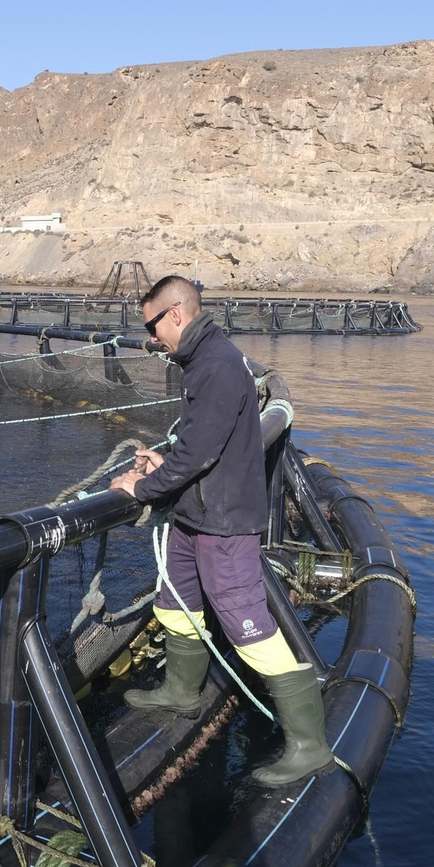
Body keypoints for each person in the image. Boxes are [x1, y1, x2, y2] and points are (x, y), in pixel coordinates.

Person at [109, 275, 333, 786]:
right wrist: (161, 460)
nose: (150, 338)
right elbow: (205, 443)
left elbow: (201, 453)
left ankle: (310, 744)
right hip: (195, 513)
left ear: (176, 315)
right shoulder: (201, 361)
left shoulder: (216, 365)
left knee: (246, 623)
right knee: (174, 599)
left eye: (151, 326)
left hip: (225, 522)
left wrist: (140, 488)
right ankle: (182, 691)